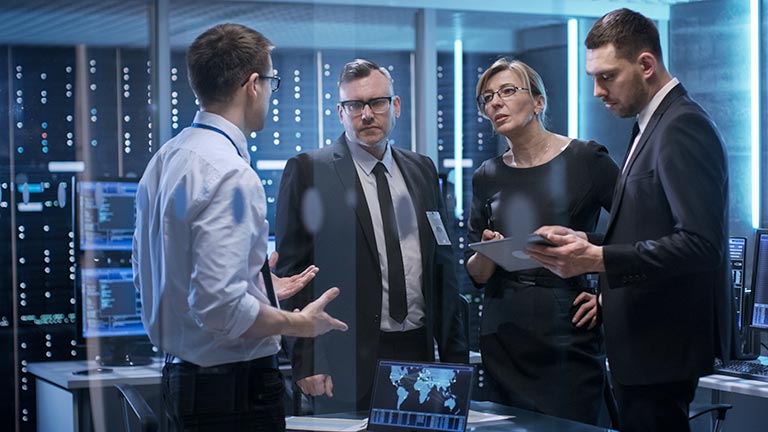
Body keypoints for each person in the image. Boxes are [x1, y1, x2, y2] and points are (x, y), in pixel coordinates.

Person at [132, 23, 348, 432]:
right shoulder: (230, 172)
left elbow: (155, 277)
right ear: (253, 84)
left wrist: (258, 286)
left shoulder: (165, 159)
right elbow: (221, 307)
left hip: (183, 382)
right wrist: (300, 325)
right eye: (271, 81)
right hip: (231, 394)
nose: (270, 93)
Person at [527, 8, 731, 432]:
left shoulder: (683, 125)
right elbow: (649, 228)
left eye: (607, 76)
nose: (598, 91)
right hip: (640, 348)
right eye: (593, 79)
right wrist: (586, 240)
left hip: (659, 350)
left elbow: (701, 243)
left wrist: (598, 258)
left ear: (645, 64)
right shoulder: (649, 124)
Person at [275, 58, 468, 413]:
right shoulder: (308, 171)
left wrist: (456, 357)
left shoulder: (422, 169)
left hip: (418, 357)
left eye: (377, 102)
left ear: (394, 106)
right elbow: (293, 275)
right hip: (344, 359)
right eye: (354, 105)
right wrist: (308, 360)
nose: (366, 114)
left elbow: (442, 266)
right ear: (340, 112)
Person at [465, 58, 619, 425]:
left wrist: (606, 294)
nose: (495, 103)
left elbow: (637, 234)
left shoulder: (587, 159)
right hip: (504, 333)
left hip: (567, 329)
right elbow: (476, 274)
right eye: (487, 97)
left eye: (507, 91)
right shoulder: (487, 175)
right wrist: (487, 251)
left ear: (538, 101)